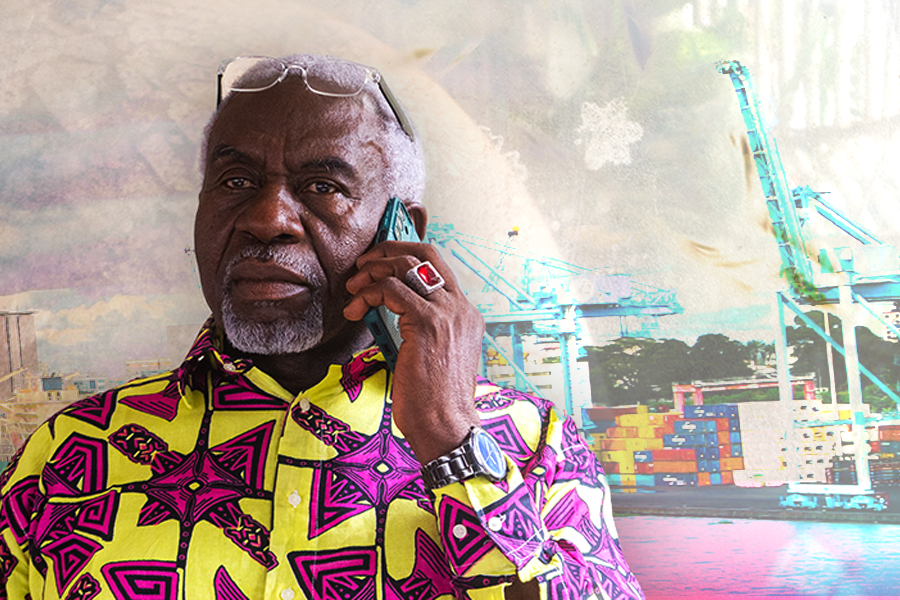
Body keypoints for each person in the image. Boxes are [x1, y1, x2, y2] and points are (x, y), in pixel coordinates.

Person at [0, 54, 644, 600]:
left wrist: (452, 442)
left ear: (401, 233)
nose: (268, 218)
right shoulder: (64, 456)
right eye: (236, 180)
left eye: (322, 185)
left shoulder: (533, 447)